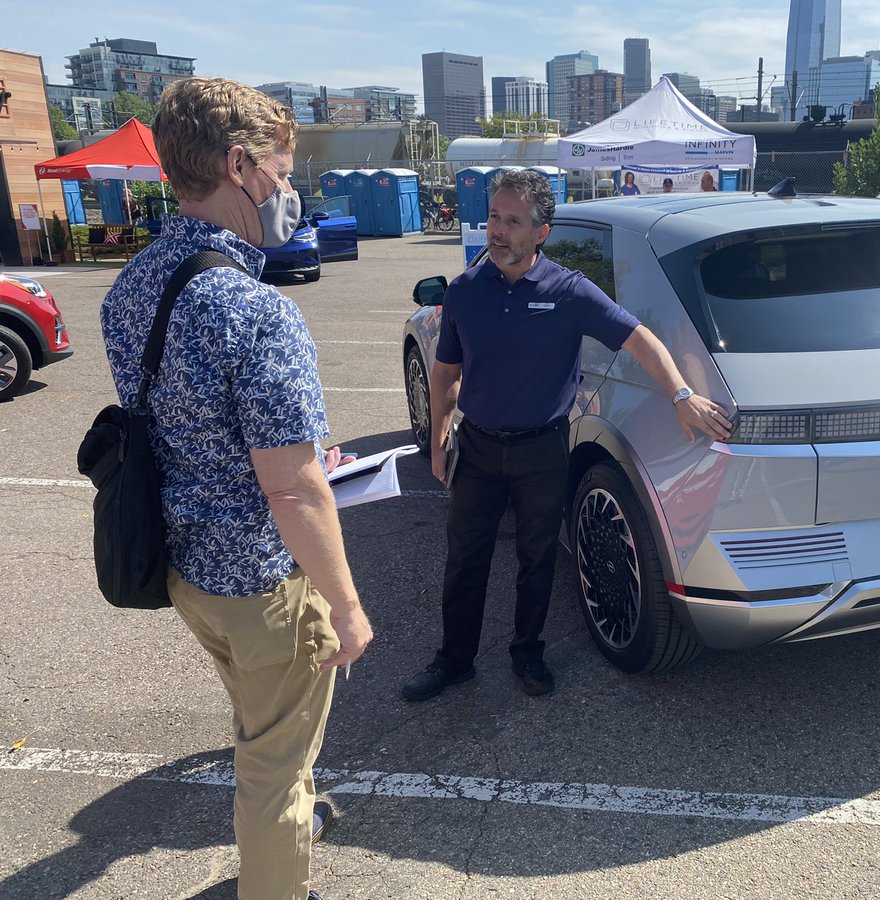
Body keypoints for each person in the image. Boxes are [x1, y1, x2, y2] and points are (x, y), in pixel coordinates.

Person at [100, 77, 373, 900]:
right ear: (239, 165)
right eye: (282, 172)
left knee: (262, 728)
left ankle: (285, 824)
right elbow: (293, 492)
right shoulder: (254, 310)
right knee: (274, 766)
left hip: (185, 568)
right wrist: (347, 606)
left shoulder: (132, 285)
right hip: (261, 581)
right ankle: (278, 872)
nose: (288, 191)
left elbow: (181, 424)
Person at [401, 170, 732, 704]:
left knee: (537, 559)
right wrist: (440, 438)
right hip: (478, 447)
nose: (498, 230)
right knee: (464, 558)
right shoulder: (464, 291)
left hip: (542, 449)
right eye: (493, 217)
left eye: (512, 221)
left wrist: (681, 394)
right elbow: (445, 373)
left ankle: (527, 654)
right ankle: (455, 660)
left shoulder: (570, 291)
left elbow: (639, 338)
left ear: (542, 232)